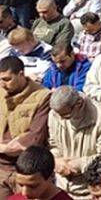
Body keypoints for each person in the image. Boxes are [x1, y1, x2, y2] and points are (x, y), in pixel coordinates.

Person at [47, 86, 101, 199]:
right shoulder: (55, 114)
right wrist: (56, 161)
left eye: (66, 116)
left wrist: (76, 165)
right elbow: (53, 144)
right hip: (61, 186)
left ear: (78, 104)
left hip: (89, 190)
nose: (61, 119)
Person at [0, 56, 51, 198]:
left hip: (26, 171)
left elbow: (35, 137)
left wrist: (5, 148)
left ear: (21, 74)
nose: (3, 84)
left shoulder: (42, 96)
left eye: (7, 79)